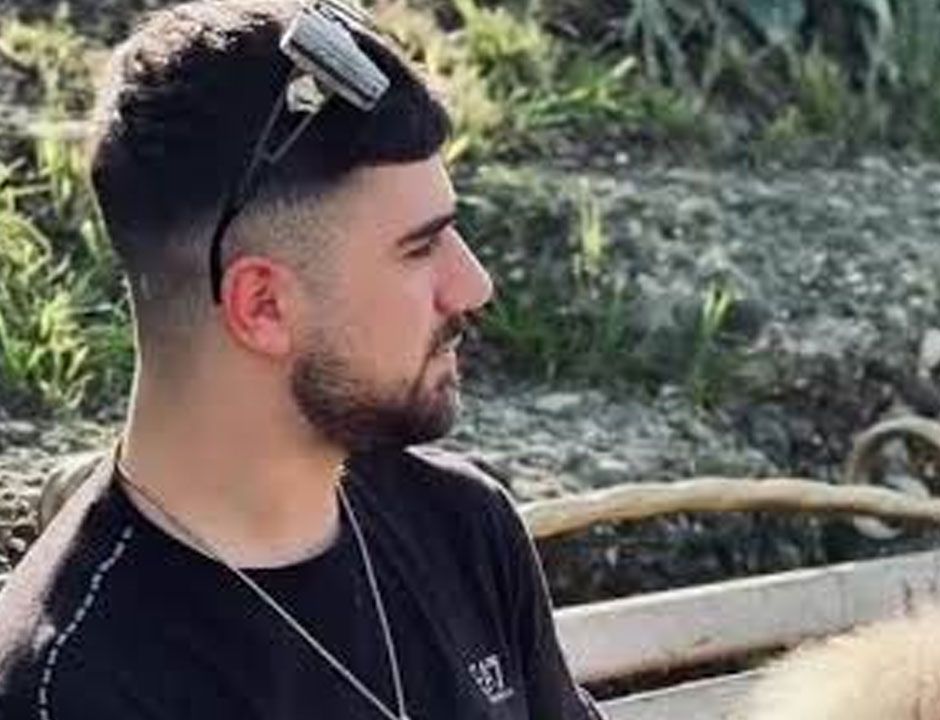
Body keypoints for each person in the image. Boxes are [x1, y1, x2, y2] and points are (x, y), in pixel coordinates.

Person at [0, 1, 605, 718]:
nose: (474, 285)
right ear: (263, 306)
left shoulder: (463, 528)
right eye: (420, 248)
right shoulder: (73, 687)